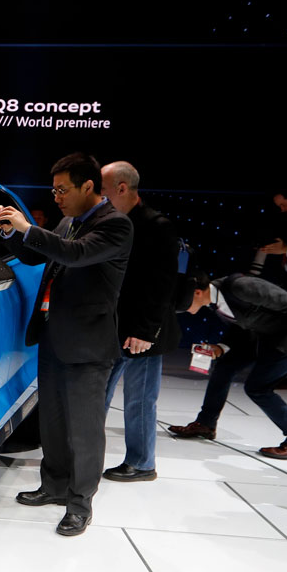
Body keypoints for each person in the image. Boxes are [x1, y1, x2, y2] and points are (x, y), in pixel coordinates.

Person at [0, 152, 132, 536]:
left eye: (62, 190)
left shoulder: (115, 225)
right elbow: (42, 252)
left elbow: (75, 255)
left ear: (89, 186)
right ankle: (53, 486)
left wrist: (29, 228)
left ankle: (80, 503)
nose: (56, 197)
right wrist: (11, 231)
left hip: (88, 344)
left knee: (84, 429)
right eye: (53, 190)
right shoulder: (71, 220)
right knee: (52, 423)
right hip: (54, 335)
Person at [167, 270, 287, 458]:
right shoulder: (214, 300)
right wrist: (221, 347)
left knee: (258, 388)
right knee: (224, 367)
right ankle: (205, 424)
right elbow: (241, 325)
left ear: (197, 292)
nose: (186, 310)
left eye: (184, 304)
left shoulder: (240, 286)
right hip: (261, 337)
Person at [98, 161, 181, 483]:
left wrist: (146, 331)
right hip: (114, 326)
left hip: (143, 332)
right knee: (99, 394)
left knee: (139, 400)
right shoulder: (112, 221)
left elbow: (162, 285)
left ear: (121, 188)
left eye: (104, 189)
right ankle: (85, 455)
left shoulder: (156, 225)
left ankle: (142, 463)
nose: (100, 195)